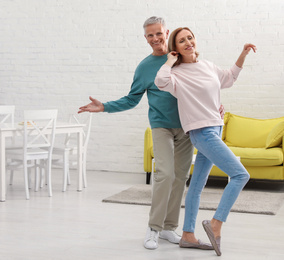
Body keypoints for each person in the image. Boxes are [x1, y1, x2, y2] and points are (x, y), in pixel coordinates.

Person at [78, 16, 196, 250]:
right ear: (145, 38)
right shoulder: (145, 67)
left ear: (167, 32)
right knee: (164, 174)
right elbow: (132, 99)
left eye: (159, 33)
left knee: (181, 176)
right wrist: (105, 106)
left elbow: (203, 83)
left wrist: (215, 105)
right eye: (150, 35)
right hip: (161, 125)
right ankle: (154, 227)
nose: (155, 38)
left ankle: (169, 227)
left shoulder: (182, 57)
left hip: (187, 126)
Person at [154, 27, 255, 256]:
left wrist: (243, 54)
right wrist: (170, 61)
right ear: (175, 48)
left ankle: (188, 234)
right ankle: (216, 223)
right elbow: (160, 81)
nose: (188, 42)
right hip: (202, 133)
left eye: (190, 37)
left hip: (215, 128)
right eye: (181, 41)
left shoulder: (207, 65)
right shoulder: (176, 74)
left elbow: (229, 78)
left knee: (197, 185)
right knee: (241, 175)